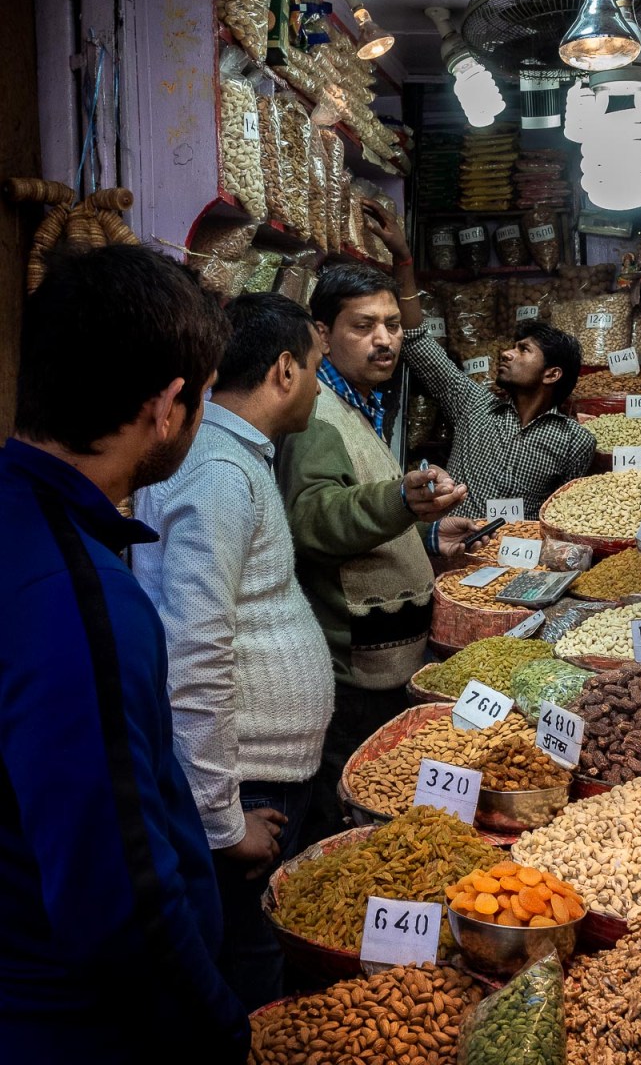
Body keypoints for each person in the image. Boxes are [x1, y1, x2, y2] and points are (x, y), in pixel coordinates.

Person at [0, 245, 250, 1064]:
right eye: (205, 398)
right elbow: (115, 899)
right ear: (168, 407)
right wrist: (221, 1027)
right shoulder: (76, 597)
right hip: (77, 1027)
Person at [133, 293, 335, 1011]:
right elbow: (193, 652)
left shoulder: (235, 457)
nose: (320, 383)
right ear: (284, 369)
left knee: (265, 950)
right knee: (247, 964)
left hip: (263, 774)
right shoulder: (218, 472)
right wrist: (222, 820)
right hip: (246, 785)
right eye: (316, 367)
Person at [277, 264, 487, 843]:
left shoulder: (361, 405)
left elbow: (358, 512)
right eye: (363, 326)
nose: (386, 340)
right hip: (352, 675)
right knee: (354, 818)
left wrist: (425, 537)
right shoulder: (316, 415)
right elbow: (315, 520)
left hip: (386, 665)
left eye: (393, 325)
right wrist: (401, 500)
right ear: (321, 335)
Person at [363, 200, 597, 521]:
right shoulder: (472, 403)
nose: (506, 353)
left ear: (552, 374)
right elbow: (415, 335)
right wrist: (403, 258)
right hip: (454, 549)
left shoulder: (575, 440)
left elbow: (565, 516)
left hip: (521, 559)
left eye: (524, 350)